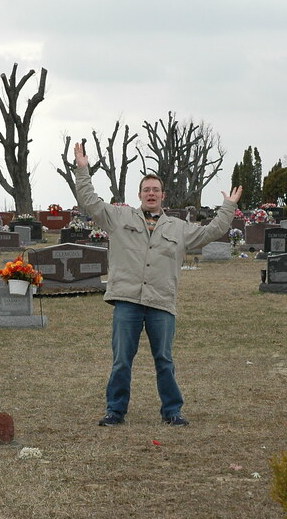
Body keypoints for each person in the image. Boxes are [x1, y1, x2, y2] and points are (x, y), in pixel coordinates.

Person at [73, 141, 242, 426]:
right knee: (121, 360)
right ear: (139, 194)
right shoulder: (118, 218)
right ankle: (115, 410)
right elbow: (90, 201)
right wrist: (82, 170)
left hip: (161, 302)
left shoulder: (178, 228)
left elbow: (212, 231)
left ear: (163, 196)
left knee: (164, 359)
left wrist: (228, 207)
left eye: (155, 190)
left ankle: (172, 411)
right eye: (146, 190)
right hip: (127, 300)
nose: (151, 194)